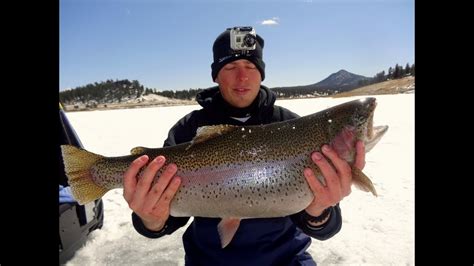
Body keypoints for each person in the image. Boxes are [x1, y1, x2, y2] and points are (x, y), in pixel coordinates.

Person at [122, 26, 366, 265]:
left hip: (286, 258)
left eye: (251, 66)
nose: (243, 77)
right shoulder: (189, 129)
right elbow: (166, 221)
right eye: (230, 67)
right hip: (208, 260)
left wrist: (320, 211)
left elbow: (325, 227)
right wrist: (150, 220)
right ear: (216, 75)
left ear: (261, 73)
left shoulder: (290, 125)